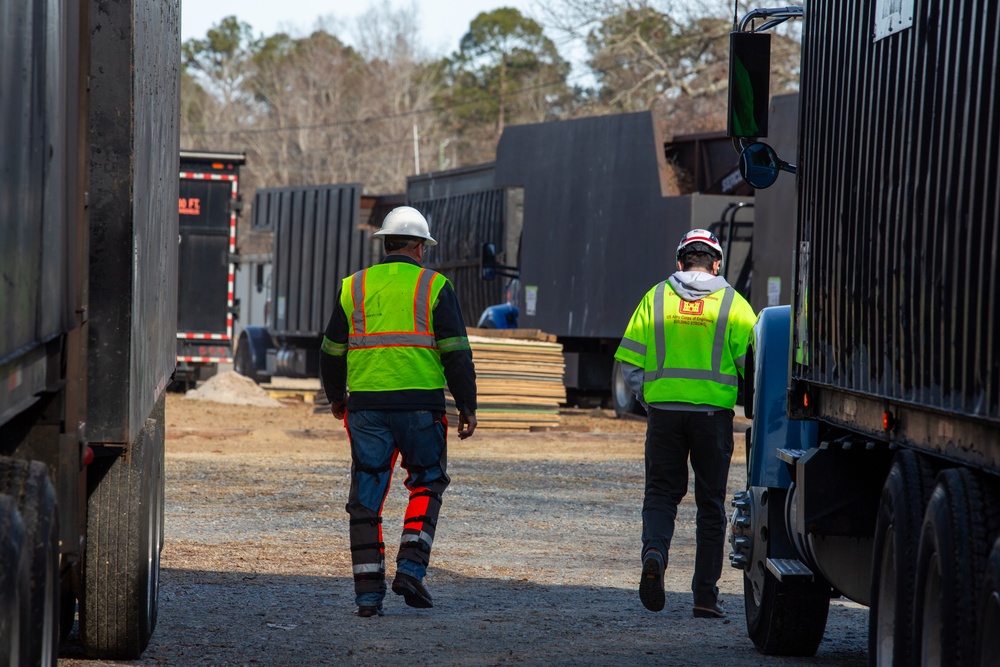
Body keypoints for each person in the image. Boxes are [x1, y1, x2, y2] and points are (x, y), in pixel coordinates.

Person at [319, 205, 478, 618]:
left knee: (365, 498)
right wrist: (467, 405)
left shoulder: (353, 286)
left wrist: (337, 395)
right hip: (421, 407)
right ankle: (410, 570)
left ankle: (368, 597)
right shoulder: (435, 286)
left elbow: (331, 351)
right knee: (427, 482)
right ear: (419, 247)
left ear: (385, 244)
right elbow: (457, 353)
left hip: (367, 408)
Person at [614, 228, 755, 618]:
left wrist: (649, 399)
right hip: (713, 418)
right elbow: (753, 366)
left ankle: (655, 554)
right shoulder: (733, 304)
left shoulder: (655, 298)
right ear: (716, 263)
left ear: (680, 262)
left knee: (661, 493)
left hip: (665, 416)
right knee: (710, 504)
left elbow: (630, 359)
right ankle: (705, 598)